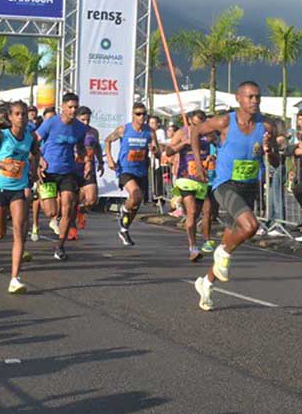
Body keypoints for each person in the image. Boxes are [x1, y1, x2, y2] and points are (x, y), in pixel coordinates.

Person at [190, 82, 276, 311]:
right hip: (225, 185)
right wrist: (199, 165)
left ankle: (206, 283)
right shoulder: (225, 122)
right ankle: (222, 252)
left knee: (231, 241)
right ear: (239, 98)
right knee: (250, 226)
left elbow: (276, 161)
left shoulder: (267, 126)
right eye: (250, 97)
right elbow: (196, 131)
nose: (255, 101)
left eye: (258, 97)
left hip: (249, 186)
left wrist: (271, 150)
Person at [0, 101, 41, 293]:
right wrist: (2, 165)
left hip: (18, 188)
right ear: (10, 117)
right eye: (17, 114)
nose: (21, 117)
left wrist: (35, 173)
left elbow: (35, 155)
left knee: (19, 230)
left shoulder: (30, 138)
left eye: (24, 114)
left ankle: (15, 279)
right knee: (0, 232)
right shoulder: (1, 136)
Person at [35, 93, 89, 261]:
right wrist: (39, 160)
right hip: (49, 171)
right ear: (63, 107)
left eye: (75, 107)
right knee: (51, 211)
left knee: (68, 207)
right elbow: (34, 141)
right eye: (70, 107)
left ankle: (60, 246)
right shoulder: (51, 123)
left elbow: (80, 147)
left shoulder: (80, 128)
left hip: (68, 172)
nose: (73, 110)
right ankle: (40, 193)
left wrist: (86, 160)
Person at [164, 109, 216, 261]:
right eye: (196, 124)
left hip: (202, 180)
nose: (199, 127)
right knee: (192, 212)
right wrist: (184, 143)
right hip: (185, 178)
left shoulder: (208, 134)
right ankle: (193, 247)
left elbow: (220, 143)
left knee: (202, 212)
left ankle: (203, 241)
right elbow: (168, 151)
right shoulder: (182, 132)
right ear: (190, 121)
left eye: (202, 124)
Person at [105, 102, 158, 246]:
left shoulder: (150, 132)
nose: (142, 117)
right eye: (138, 114)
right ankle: (123, 209)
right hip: (125, 169)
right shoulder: (124, 129)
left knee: (136, 203)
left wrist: (155, 150)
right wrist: (109, 158)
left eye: (144, 114)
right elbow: (108, 140)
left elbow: (157, 151)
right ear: (133, 115)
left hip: (141, 170)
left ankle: (124, 229)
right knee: (136, 195)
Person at [71, 107, 104, 241]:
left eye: (88, 120)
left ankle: (81, 211)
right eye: (82, 119)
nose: (85, 122)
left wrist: (101, 161)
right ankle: (71, 225)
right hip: (73, 168)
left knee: (91, 200)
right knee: (72, 201)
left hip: (88, 167)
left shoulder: (93, 132)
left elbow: (97, 147)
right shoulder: (71, 130)